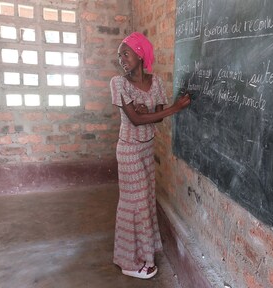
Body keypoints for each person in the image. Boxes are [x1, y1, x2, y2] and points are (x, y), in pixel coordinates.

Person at [109, 32, 191, 279]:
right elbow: (135, 120)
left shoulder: (155, 83)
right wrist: (175, 107)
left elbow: (157, 114)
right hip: (129, 149)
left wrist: (150, 110)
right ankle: (131, 261)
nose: (122, 59)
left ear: (140, 53)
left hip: (147, 147)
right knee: (135, 202)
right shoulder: (118, 83)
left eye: (126, 53)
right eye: (119, 55)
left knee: (145, 198)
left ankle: (143, 254)